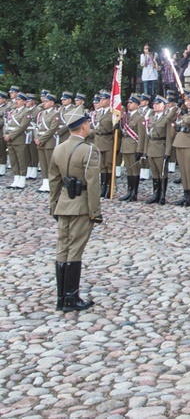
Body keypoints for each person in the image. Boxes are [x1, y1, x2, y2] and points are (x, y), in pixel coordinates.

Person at [48, 111, 103, 312]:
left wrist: (53, 204)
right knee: (75, 249)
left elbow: (54, 180)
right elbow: (93, 183)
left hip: (63, 203)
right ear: (83, 126)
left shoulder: (59, 148)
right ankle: (71, 297)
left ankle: (61, 297)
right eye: (88, 123)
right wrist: (95, 211)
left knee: (62, 247)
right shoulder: (89, 150)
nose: (89, 126)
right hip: (81, 205)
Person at [143, 96, 172, 205]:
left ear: (164, 106)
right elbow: (147, 136)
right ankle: (156, 194)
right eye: (154, 104)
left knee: (162, 173)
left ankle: (162, 196)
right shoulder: (151, 118)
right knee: (154, 173)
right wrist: (145, 151)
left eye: (158, 104)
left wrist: (168, 152)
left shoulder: (166, 119)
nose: (155, 105)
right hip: (151, 148)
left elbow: (169, 136)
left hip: (161, 148)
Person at [118, 96, 146, 202]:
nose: (129, 104)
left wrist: (140, 150)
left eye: (131, 103)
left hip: (134, 146)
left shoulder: (139, 118)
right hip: (125, 146)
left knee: (135, 171)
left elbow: (142, 135)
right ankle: (129, 191)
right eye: (128, 103)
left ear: (136, 105)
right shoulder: (126, 117)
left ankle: (134, 193)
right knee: (129, 170)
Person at [4, 92, 32, 189]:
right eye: (16, 99)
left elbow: (22, 127)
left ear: (24, 101)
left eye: (19, 100)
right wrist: (5, 134)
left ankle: (22, 179)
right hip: (10, 139)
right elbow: (7, 124)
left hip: (19, 139)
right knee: (13, 160)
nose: (16, 101)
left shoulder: (26, 112)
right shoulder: (13, 112)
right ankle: (16, 178)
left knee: (21, 159)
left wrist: (10, 135)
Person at [34, 93, 60, 193]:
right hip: (40, 141)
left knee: (50, 163)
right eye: (44, 101)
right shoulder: (41, 114)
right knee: (43, 163)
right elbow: (37, 127)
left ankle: (51, 183)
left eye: (46, 101)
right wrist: (36, 138)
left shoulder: (55, 114)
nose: (44, 103)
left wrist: (41, 139)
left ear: (52, 102)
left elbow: (52, 129)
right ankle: (45, 182)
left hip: (49, 141)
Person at [92, 92, 116, 199]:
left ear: (108, 100)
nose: (100, 101)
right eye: (100, 99)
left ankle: (109, 188)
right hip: (98, 140)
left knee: (109, 165)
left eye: (103, 99)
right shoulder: (98, 112)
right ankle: (103, 188)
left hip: (108, 140)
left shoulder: (112, 113)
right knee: (101, 166)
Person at [0, 90, 11, 176]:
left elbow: (4, 120)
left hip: (1, 132)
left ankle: (2, 168)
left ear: (4, 99)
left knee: (2, 151)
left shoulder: (7, 108)